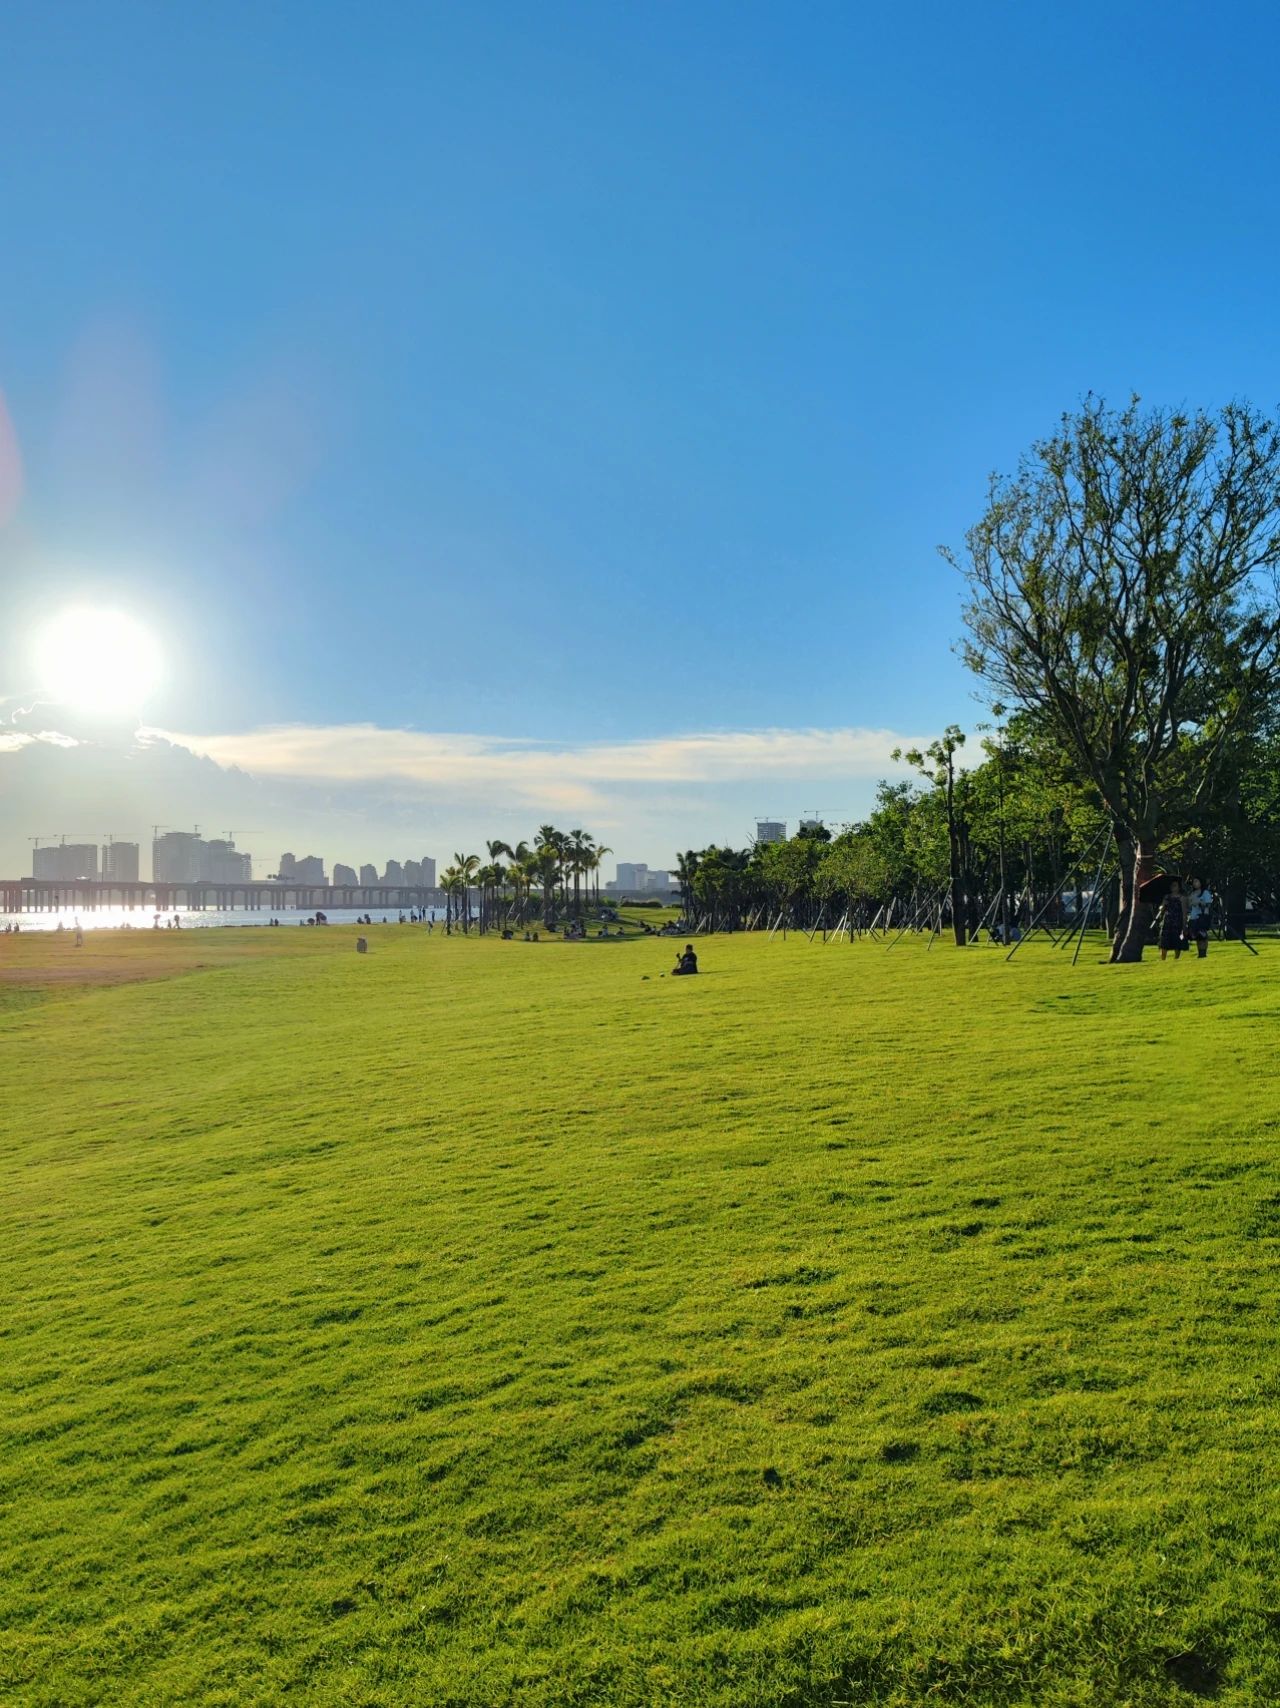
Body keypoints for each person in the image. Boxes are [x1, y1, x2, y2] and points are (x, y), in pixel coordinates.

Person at [1185, 877, 1212, 959]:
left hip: (1202, 916)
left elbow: (1208, 904)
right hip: (1193, 916)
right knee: (1197, 936)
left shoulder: (1205, 892)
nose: (1194, 883)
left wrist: (1200, 903)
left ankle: (1203, 952)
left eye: (1196, 881)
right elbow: (1188, 904)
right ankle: (1200, 952)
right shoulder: (1192, 893)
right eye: (1193, 881)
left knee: (1203, 935)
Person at [1158, 880, 1185, 961]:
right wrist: (1162, 907)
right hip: (1168, 920)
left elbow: (1184, 909)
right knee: (1165, 940)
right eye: (1172, 886)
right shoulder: (1167, 897)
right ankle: (1163, 958)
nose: (1173, 887)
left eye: (1175, 885)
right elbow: (1161, 907)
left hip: (1177, 920)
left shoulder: (1182, 897)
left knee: (1177, 939)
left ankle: (1176, 958)